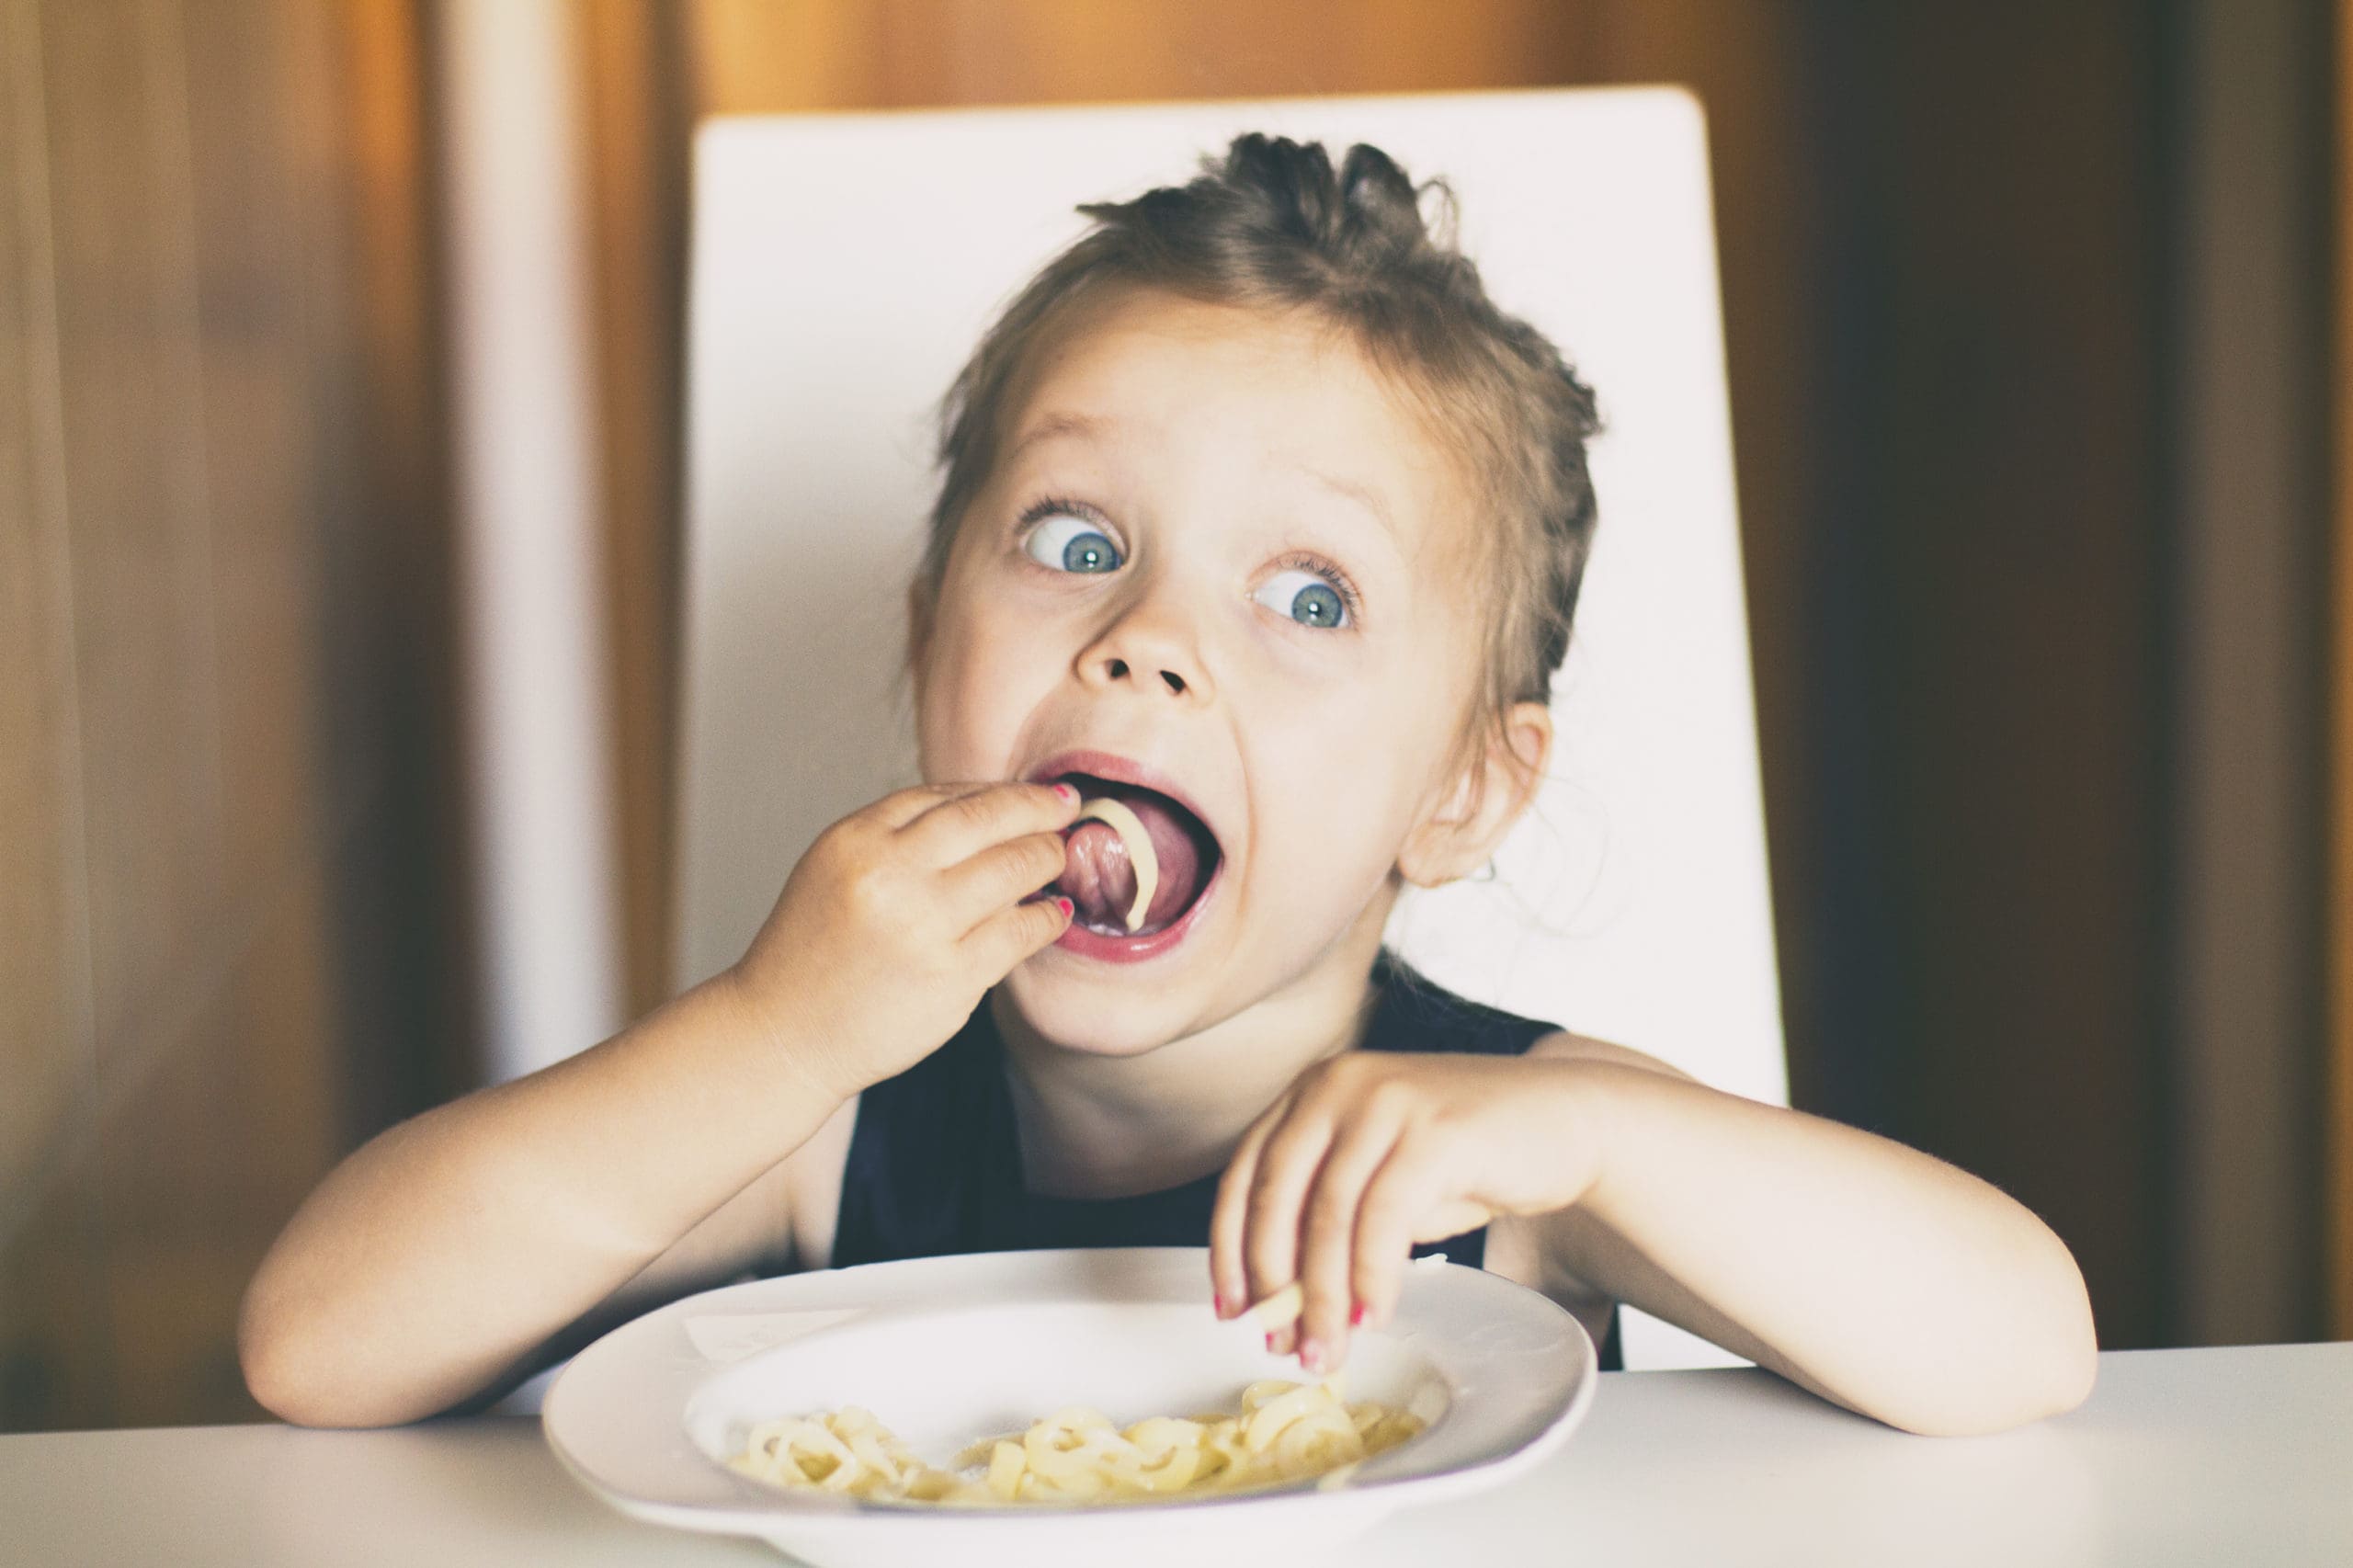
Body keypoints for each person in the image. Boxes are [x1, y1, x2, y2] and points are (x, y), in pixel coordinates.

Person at [239, 134, 2096, 1437]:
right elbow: (315, 1343)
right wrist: (761, 1031)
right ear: (919, 643)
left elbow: (2021, 1345)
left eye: (1307, 595)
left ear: (1463, 788)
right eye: (1070, 540)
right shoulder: (826, 1121)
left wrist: (1600, 1145)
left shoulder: (1503, 1153)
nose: (1142, 640)